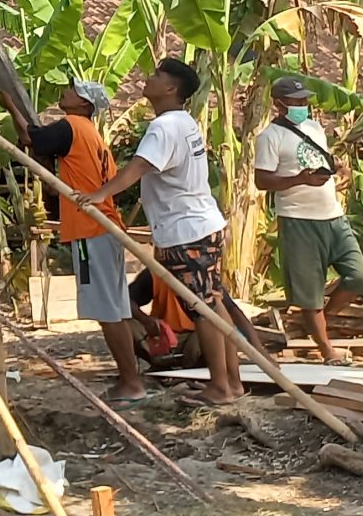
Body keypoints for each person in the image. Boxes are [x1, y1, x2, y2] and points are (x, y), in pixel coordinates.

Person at [82, 57, 242, 405]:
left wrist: (100, 194)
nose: (148, 78)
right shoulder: (184, 123)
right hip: (202, 224)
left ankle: (220, 387)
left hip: (186, 231)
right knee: (213, 301)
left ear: (170, 88)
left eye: (156, 76)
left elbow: (139, 167)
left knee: (202, 307)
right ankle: (232, 382)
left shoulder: (165, 127)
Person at [27, 79, 144, 401]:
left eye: (72, 91)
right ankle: (130, 376)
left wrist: (11, 105)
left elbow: (31, 137)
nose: (64, 93)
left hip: (92, 229)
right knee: (115, 307)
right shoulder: (90, 135)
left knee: (108, 310)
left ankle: (131, 382)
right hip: (104, 226)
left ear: (83, 104)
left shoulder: (73, 126)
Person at [253, 74, 363, 363]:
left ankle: (321, 324)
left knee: (358, 277)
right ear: (280, 104)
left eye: (305, 100)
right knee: (309, 293)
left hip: (333, 215)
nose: (303, 105)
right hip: (298, 220)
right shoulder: (270, 137)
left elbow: (324, 158)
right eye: (296, 102)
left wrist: (341, 168)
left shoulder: (314, 127)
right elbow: (261, 181)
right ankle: (327, 350)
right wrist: (300, 179)